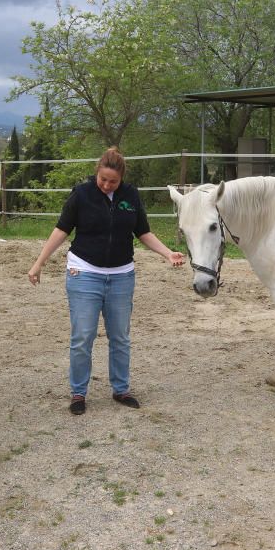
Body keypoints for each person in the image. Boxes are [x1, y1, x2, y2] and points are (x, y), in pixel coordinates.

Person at [28, 147, 185, 415]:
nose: (106, 185)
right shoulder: (82, 193)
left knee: (120, 337)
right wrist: (39, 262)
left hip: (122, 276)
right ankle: (79, 392)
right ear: (97, 173)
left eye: (112, 181)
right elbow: (61, 230)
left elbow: (143, 232)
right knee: (83, 336)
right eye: (103, 179)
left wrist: (167, 253)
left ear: (121, 178)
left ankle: (121, 389)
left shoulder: (130, 196)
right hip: (84, 273)